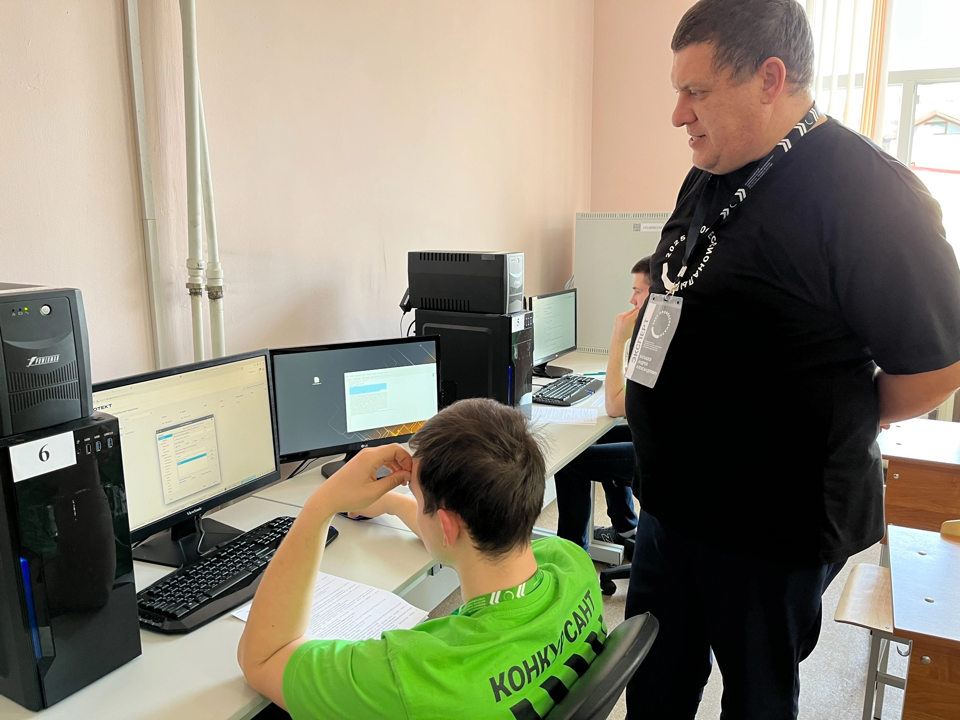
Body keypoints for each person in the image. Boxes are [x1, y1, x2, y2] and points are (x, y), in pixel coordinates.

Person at [622, 1, 960, 718]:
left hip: (770, 525)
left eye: (696, 91)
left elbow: (938, 364)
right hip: (671, 504)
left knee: (757, 697)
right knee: (653, 683)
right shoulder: (711, 171)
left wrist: (839, 411)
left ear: (770, 79)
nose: (678, 115)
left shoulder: (868, 191)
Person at [238, 398, 607, 719]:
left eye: (415, 497)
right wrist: (394, 503)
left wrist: (322, 505)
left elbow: (263, 658)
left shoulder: (412, 675)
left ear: (446, 525)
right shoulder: (571, 561)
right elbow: (467, 531)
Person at [554, 257, 652, 550]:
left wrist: (618, 339)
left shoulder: (658, 342)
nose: (632, 300)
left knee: (571, 464)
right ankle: (626, 528)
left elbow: (615, 406)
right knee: (599, 438)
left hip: (665, 453)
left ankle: (573, 556)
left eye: (638, 291)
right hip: (662, 437)